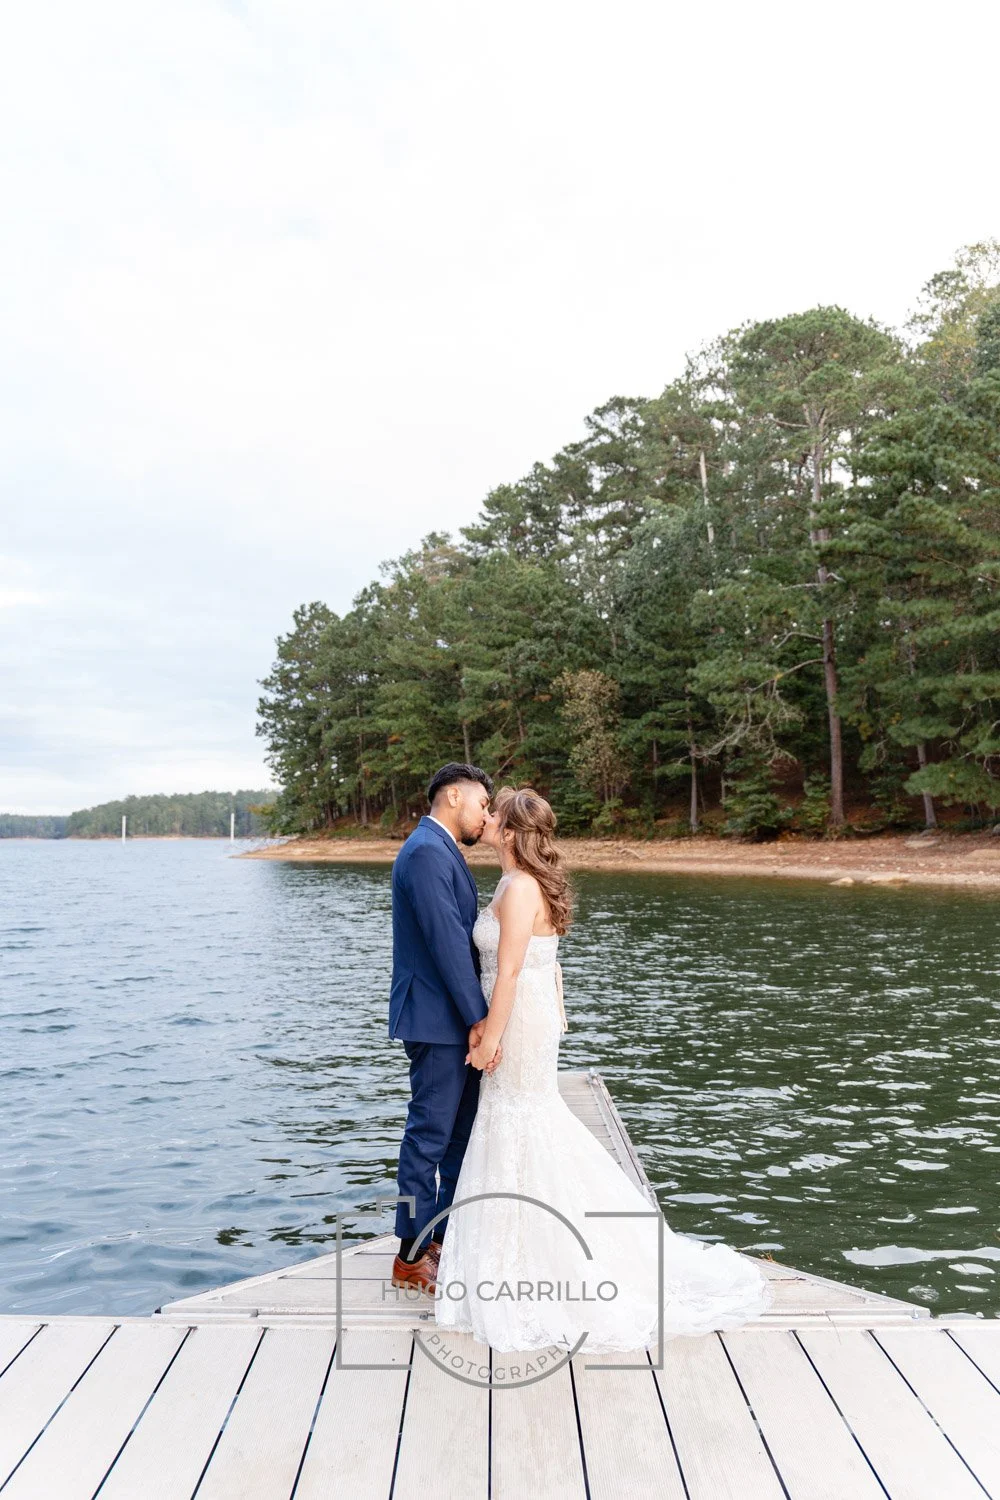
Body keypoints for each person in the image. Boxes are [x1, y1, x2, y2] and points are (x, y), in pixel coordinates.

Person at [432, 785, 774, 1353]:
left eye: (496, 815)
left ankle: (543, 1258)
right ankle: (521, 1249)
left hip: (518, 1019)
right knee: (519, 1121)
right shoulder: (514, 882)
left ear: (512, 834)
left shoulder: (519, 888)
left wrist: (488, 1037)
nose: (486, 818)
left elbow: (510, 973)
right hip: (521, 1012)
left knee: (521, 1120)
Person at [388, 763, 503, 1295]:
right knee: (428, 1137)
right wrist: (481, 1019)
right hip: (438, 1021)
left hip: (450, 1018)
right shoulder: (428, 851)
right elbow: (447, 945)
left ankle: (444, 1237)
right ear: (453, 796)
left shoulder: (439, 850)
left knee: (459, 1135)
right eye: (483, 803)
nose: (486, 814)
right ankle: (411, 1253)